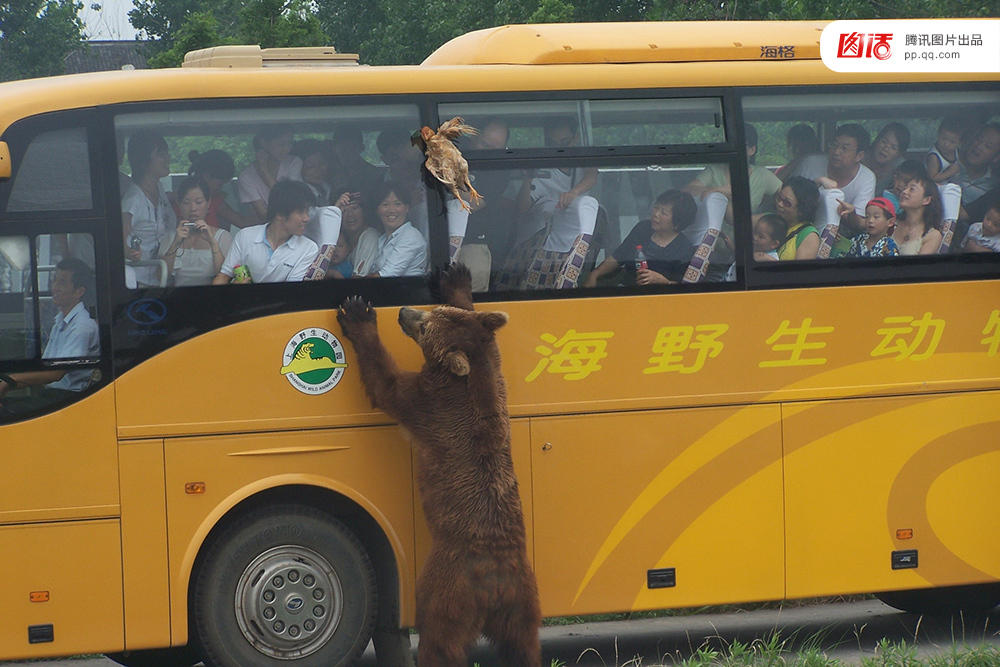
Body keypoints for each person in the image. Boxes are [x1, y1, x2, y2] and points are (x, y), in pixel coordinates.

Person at [0, 259, 99, 411]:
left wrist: (10, 381)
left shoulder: (82, 327)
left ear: (79, 292)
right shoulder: (60, 321)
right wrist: (5, 382)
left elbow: (56, 373)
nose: (55, 288)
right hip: (53, 395)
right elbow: (43, 369)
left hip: (69, 399)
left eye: (62, 283)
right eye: (54, 281)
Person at [515, 117, 599, 249]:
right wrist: (528, 178)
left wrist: (573, 193)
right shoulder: (541, 171)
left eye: (565, 142)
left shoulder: (582, 162)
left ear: (576, 138)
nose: (559, 149)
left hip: (575, 245)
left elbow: (592, 175)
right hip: (539, 248)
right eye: (553, 144)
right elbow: (522, 208)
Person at [582, 190, 696, 287]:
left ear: (677, 223)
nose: (655, 214)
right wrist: (595, 274)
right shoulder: (643, 228)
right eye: (656, 208)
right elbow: (618, 256)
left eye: (663, 213)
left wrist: (663, 281)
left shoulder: (684, 249)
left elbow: (685, 287)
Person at [214, 180, 318, 284]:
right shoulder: (245, 236)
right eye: (300, 212)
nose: (306, 218)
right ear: (280, 214)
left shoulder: (309, 248)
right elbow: (223, 276)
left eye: (307, 211)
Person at [454, 118, 515, 291]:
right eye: (485, 146)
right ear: (473, 138)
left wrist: (447, 181)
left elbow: (475, 204)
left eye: (496, 149)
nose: (489, 153)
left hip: (473, 243)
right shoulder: (455, 151)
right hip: (438, 238)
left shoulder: (500, 172)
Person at [789, 123, 876, 235]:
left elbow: (859, 224)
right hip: (799, 229)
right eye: (834, 145)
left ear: (859, 156)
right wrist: (817, 182)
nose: (836, 152)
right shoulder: (810, 163)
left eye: (844, 148)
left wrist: (851, 213)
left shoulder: (866, 178)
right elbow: (787, 196)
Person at [684, 123, 781, 216]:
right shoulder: (714, 171)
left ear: (752, 150)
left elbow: (786, 195)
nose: (735, 149)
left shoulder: (761, 175)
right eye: (731, 144)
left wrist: (768, 210)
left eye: (740, 145)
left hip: (749, 230)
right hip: (714, 232)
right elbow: (686, 191)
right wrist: (719, 190)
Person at [121, 130, 177, 286]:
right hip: (140, 283)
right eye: (161, 154)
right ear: (144, 160)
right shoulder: (133, 199)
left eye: (167, 152)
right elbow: (119, 241)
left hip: (162, 278)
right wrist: (130, 252)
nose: (168, 158)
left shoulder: (159, 188)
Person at [160, 177, 233, 286]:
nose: (193, 208)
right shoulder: (170, 237)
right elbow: (160, 276)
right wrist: (176, 242)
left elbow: (225, 277)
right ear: (179, 204)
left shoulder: (223, 236)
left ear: (208, 204)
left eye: (199, 202)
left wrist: (213, 243)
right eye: (186, 202)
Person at [238, 126, 303, 223]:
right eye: (281, 144)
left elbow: (292, 200)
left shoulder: (294, 162)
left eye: (290, 143)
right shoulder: (246, 176)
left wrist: (265, 172)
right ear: (264, 143)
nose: (287, 149)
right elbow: (263, 215)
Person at [376, 128, 429, 240]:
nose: (404, 162)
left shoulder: (432, 178)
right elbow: (378, 227)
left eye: (407, 157)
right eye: (396, 158)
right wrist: (408, 207)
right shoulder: (378, 186)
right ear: (385, 159)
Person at [368, 181, 428, 278]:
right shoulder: (382, 239)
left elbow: (385, 276)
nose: (391, 210)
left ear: (407, 208)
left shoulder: (411, 236)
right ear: (377, 210)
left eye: (397, 204)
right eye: (385, 204)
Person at [188, 149, 252, 231]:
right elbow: (242, 222)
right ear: (206, 176)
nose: (220, 189)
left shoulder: (216, 199)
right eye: (220, 185)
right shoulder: (214, 200)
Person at [956, 122, 1000, 223]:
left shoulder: (994, 188)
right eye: (978, 139)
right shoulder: (947, 167)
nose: (978, 146)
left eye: (987, 146)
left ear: (996, 157)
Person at [768, 176, 820, 260]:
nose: (780, 204)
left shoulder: (809, 236)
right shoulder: (769, 219)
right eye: (779, 198)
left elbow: (800, 272)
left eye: (787, 203)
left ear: (802, 210)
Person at [892, 173, 943, 255]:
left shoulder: (933, 235)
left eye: (911, 189)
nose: (904, 192)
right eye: (905, 188)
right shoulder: (890, 223)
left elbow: (919, 266)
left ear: (926, 200)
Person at [339, 192, 379, 276]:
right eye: (344, 210)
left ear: (364, 211)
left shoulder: (370, 236)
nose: (350, 215)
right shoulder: (340, 239)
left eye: (354, 208)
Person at [865, 123, 910, 194]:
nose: (885, 148)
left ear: (899, 154)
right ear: (877, 140)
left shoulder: (900, 171)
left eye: (893, 147)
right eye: (884, 142)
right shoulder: (858, 158)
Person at [292, 139, 332, 206]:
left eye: (322, 164)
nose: (318, 170)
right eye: (311, 166)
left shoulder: (326, 187)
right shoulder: (299, 194)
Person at [925, 116, 964, 184]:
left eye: (952, 142)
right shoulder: (934, 157)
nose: (946, 144)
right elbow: (932, 178)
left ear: (959, 143)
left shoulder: (958, 152)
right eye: (944, 138)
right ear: (938, 134)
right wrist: (949, 172)